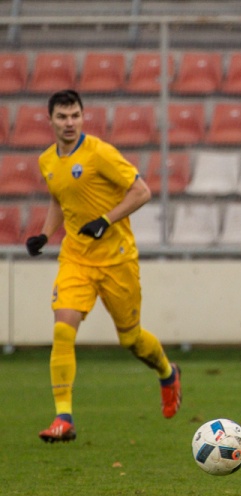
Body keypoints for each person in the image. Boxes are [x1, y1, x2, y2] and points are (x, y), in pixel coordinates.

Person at [27, 89, 182, 443]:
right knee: (63, 330)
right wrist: (44, 234)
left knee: (131, 340)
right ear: (50, 120)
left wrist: (105, 220)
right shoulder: (47, 160)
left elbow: (142, 191)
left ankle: (167, 372)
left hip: (117, 259)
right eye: (62, 117)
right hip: (76, 258)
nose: (69, 123)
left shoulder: (100, 153)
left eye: (75, 116)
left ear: (83, 117)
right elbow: (59, 200)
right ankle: (63, 418)